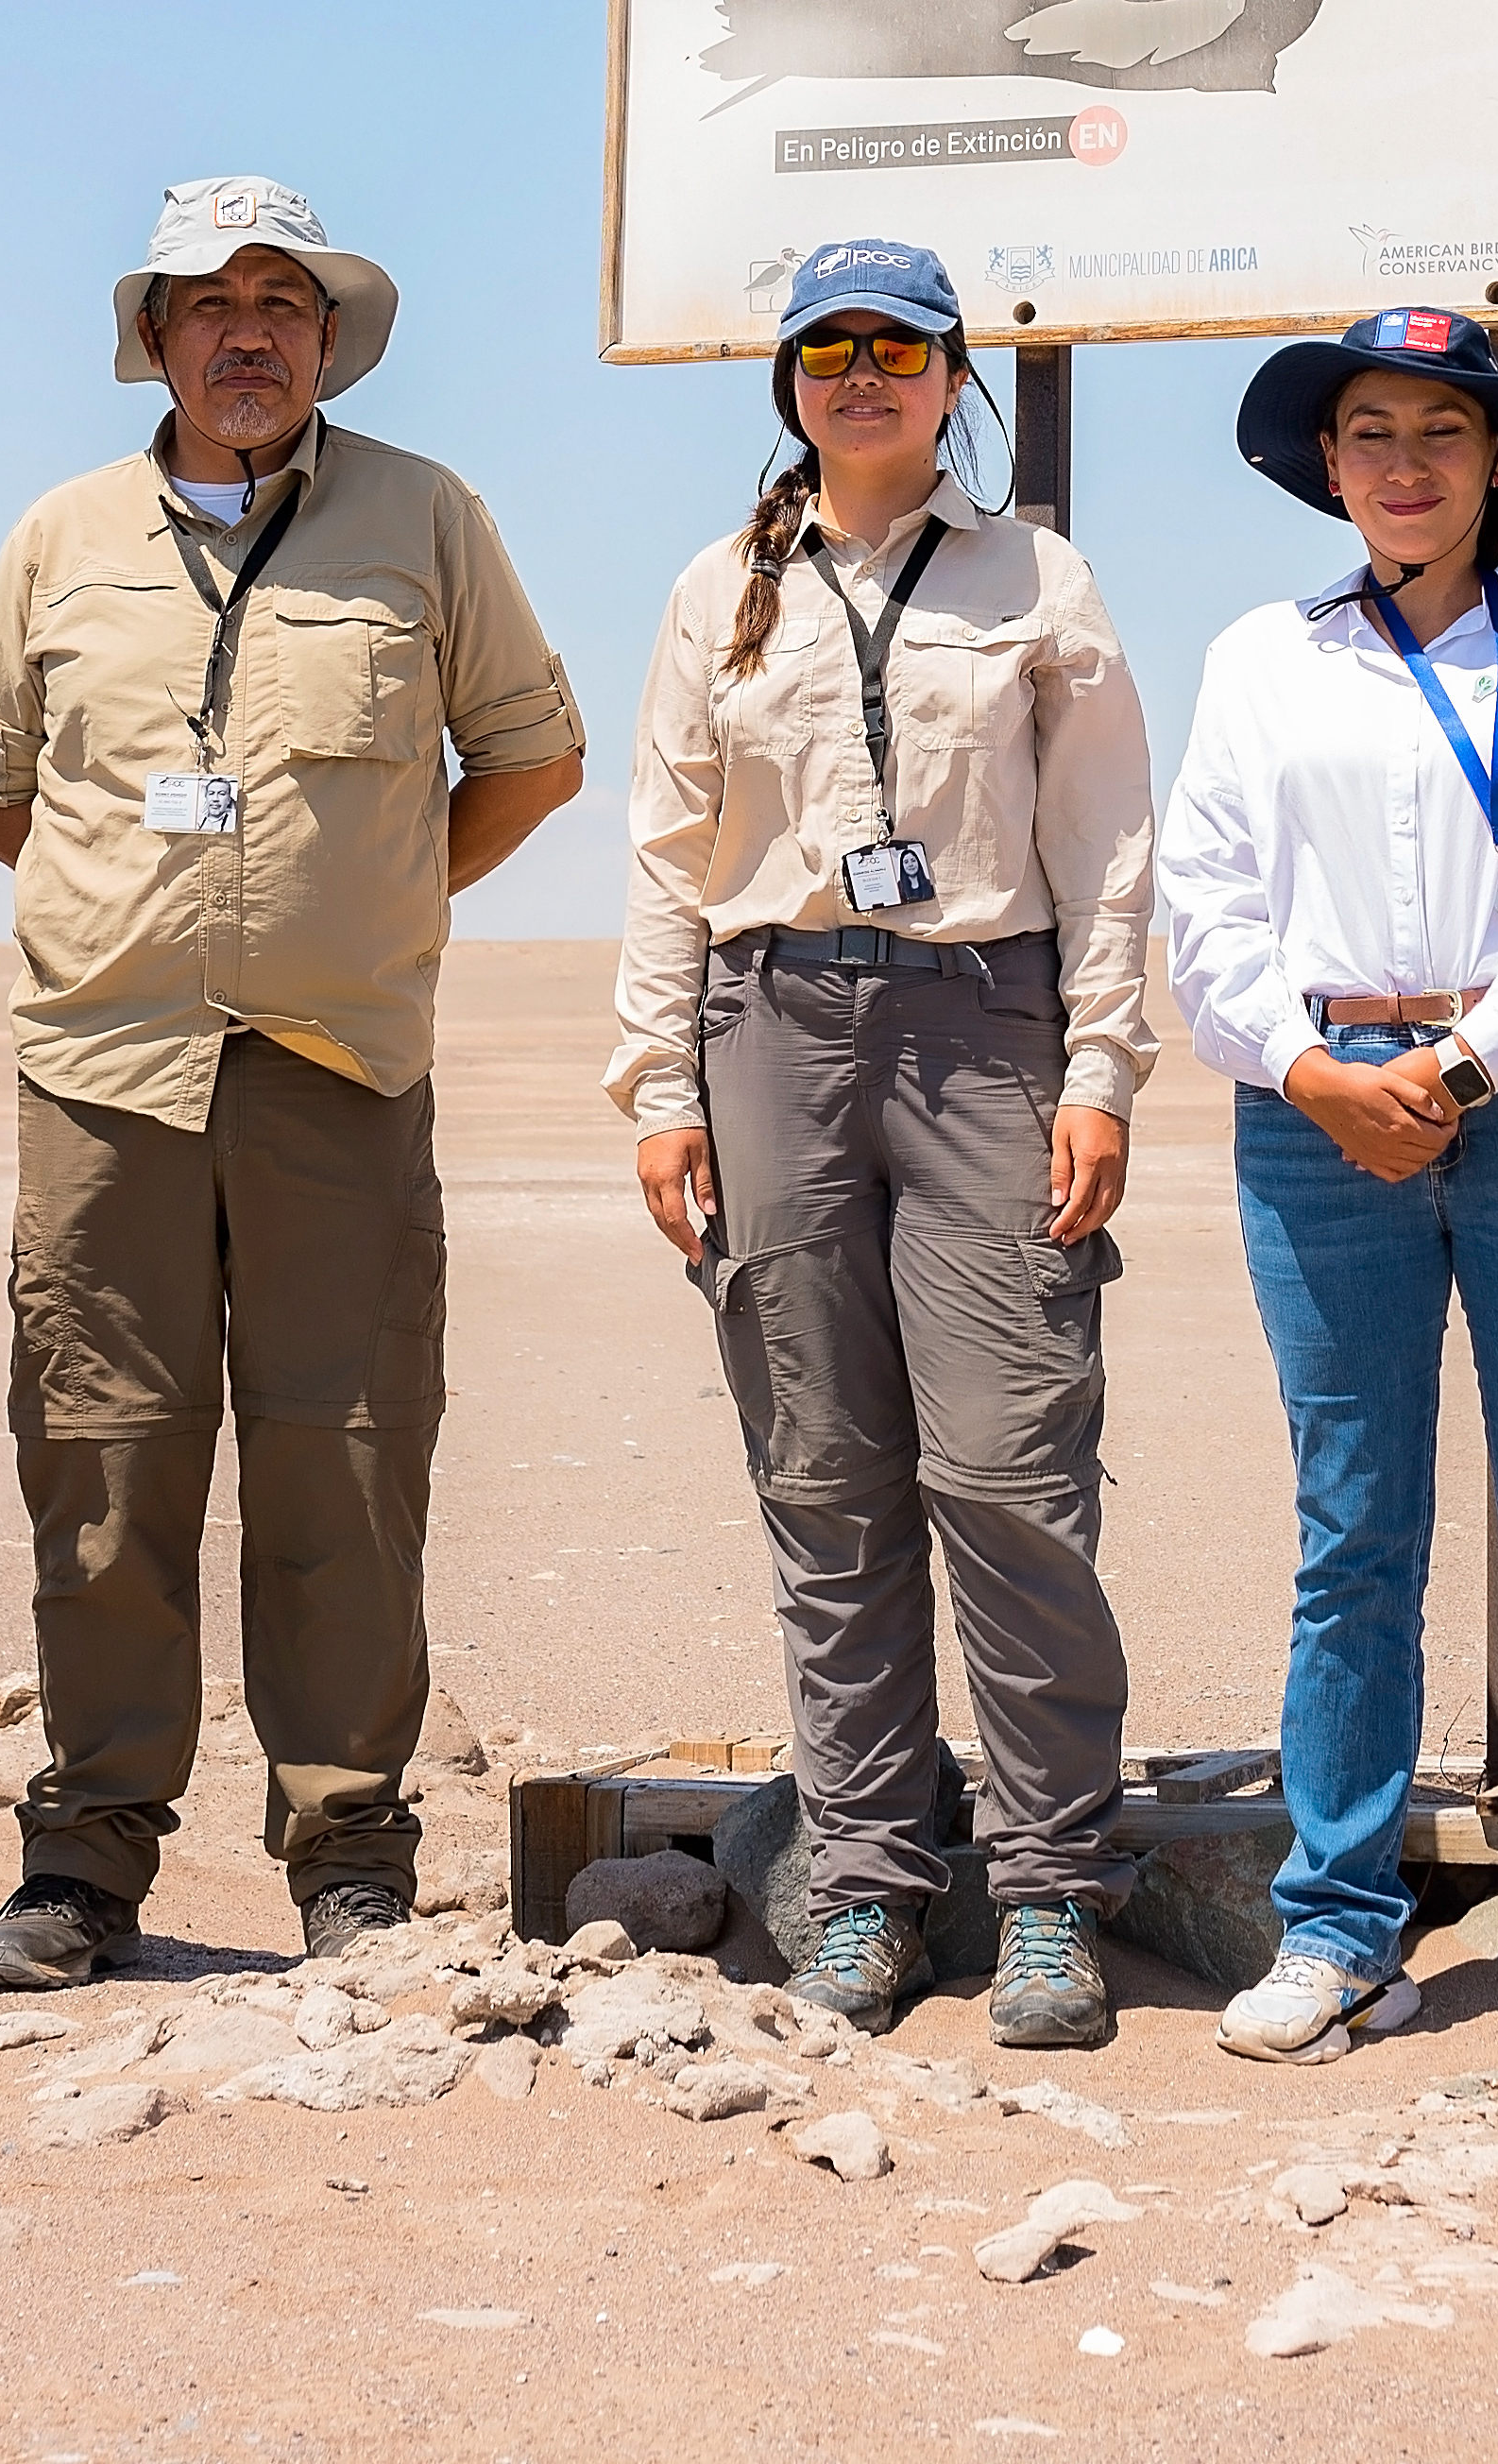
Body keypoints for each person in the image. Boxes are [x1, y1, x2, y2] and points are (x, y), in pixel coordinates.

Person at [0, 177, 584, 1989]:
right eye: (209, 306)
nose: (247, 335)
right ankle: (83, 1858)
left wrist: (368, 900)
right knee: (105, 1461)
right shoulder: (61, 536)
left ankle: (349, 1847)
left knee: (346, 1462)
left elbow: (531, 756)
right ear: (151, 338)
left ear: (327, 339)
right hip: (104, 1071)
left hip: (339, 1066)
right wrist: (136, 917)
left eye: (283, 306)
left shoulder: (424, 516)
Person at [609, 241, 1161, 2049]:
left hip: (980, 1032)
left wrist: (1101, 1069)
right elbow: (670, 847)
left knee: (1008, 1471)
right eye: (828, 348)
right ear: (790, 384)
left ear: (950, 382)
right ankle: (862, 1877)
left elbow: (1105, 843)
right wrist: (662, 1086)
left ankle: (1053, 1888)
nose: (863, 376)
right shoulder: (723, 588)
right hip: (770, 1030)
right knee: (827, 1478)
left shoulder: (1037, 577)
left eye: (899, 350)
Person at [1154, 306, 1498, 2075]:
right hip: (1316, 1117)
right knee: (1352, 1533)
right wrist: (1318, 1075)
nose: (1403, 463)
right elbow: (1207, 908)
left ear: (1495, 467)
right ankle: (1339, 1931)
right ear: (1328, 464)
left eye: (1441, 434)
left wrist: (1458, 1072)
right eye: (1370, 431)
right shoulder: (1261, 658)